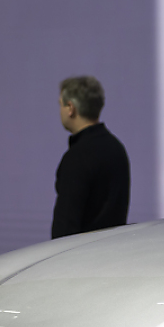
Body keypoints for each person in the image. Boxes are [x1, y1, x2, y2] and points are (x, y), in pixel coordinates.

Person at [51, 75, 129, 238]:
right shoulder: (117, 148)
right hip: (114, 249)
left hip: (81, 252)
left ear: (70, 108)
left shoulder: (76, 158)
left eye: (60, 104)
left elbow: (64, 228)